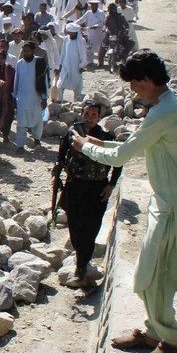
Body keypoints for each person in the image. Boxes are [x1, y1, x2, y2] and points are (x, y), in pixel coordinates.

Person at [71, 51, 177, 353]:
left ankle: (170, 340)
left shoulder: (164, 112)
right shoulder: (166, 104)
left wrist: (85, 147)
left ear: (146, 79)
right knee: (150, 273)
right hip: (165, 201)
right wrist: (98, 144)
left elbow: (122, 157)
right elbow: (134, 146)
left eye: (134, 85)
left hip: (173, 205)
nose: (132, 92)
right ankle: (155, 331)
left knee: (158, 275)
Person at [53, 99, 122, 288]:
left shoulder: (106, 137)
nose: (90, 118)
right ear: (82, 114)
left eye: (94, 115)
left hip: (97, 188)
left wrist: (111, 185)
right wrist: (56, 177)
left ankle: (81, 267)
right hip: (74, 185)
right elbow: (61, 157)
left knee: (91, 227)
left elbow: (118, 161)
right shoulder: (72, 134)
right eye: (87, 114)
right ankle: (80, 258)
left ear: (99, 117)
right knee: (75, 225)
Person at [57, 23, 87, 101]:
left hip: (76, 66)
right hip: (65, 65)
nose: (71, 34)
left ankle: (76, 102)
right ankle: (59, 101)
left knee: (76, 85)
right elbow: (63, 52)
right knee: (60, 84)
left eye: (73, 33)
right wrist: (60, 64)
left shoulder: (81, 41)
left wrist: (82, 66)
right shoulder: (66, 39)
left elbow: (83, 55)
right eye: (70, 33)